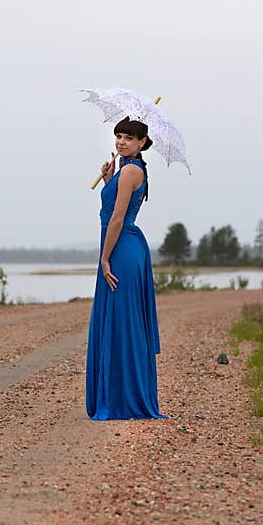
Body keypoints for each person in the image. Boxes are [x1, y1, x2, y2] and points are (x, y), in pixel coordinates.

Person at [85, 116, 165, 420]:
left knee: (124, 322)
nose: (121, 141)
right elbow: (114, 207)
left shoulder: (131, 170)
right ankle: (119, 394)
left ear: (142, 143)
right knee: (117, 320)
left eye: (129, 138)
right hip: (122, 246)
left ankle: (125, 398)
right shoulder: (124, 170)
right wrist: (108, 180)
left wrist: (105, 258)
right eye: (118, 135)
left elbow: (117, 219)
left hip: (121, 249)